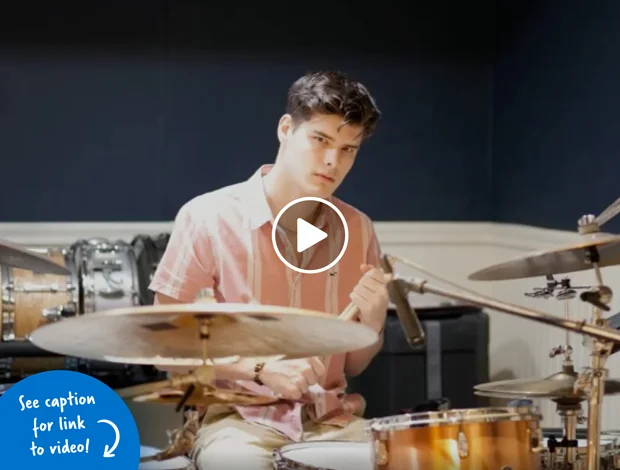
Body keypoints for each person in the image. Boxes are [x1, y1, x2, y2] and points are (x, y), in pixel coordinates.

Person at [149, 70, 388, 470]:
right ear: (285, 129)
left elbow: (353, 365)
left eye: (349, 149)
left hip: (330, 420)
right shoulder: (208, 218)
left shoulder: (358, 229)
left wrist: (375, 321)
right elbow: (163, 346)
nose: (333, 161)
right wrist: (259, 369)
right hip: (236, 422)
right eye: (321, 140)